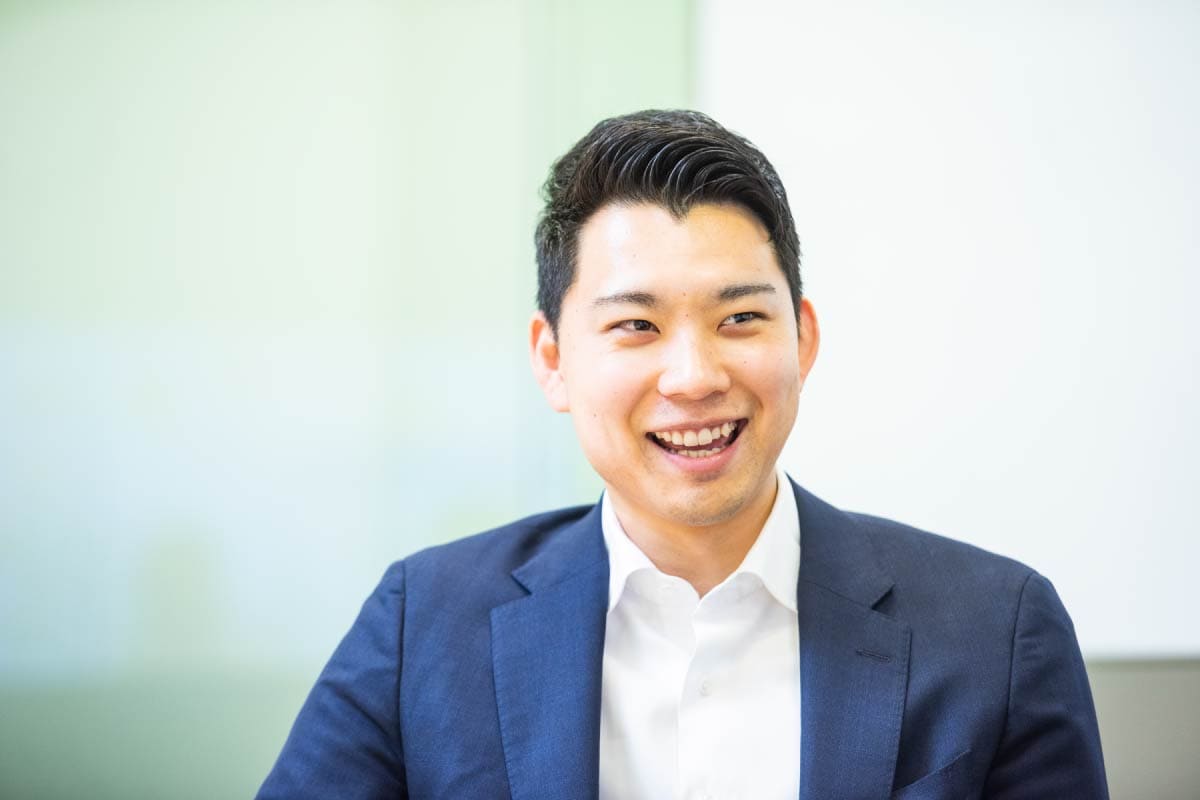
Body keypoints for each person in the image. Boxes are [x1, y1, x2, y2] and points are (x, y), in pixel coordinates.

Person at [257, 110, 1108, 799]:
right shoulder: (424, 624)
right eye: (637, 325)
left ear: (803, 339)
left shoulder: (997, 630)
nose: (695, 377)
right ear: (552, 359)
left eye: (740, 319)